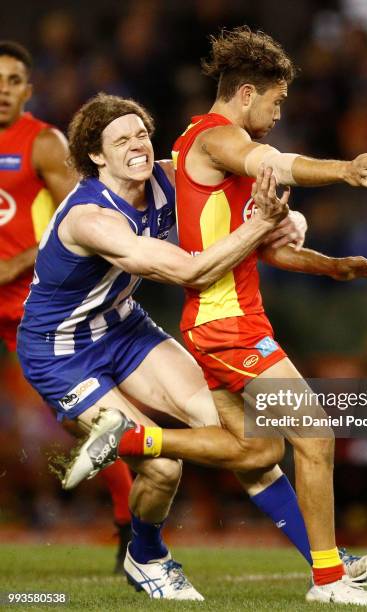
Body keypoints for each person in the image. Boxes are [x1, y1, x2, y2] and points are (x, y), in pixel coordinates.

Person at [60, 27, 367, 603]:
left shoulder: (203, 146)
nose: (278, 111)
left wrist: (333, 266)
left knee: (257, 450)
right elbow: (277, 161)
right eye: (276, 100)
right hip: (227, 323)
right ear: (245, 92)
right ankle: (330, 580)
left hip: (223, 320)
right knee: (314, 432)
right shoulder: (217, 139)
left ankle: (133, 442)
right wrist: (342, 169)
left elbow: (262, 243)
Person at [16, 92, 300, 601]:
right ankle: (146, 555)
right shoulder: (90, 217)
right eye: (121, 139)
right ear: (97, 157)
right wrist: (260, 226)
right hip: (59, 352)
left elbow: (245, 188)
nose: (138, 144)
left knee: (242, 436)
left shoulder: (169, 176)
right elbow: (191, 269)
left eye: (142, 133)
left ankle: (325, 563)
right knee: (164, 468)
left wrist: (290, 220)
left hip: (124, 328)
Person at [0, 41, 133, 571]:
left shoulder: (43, 144)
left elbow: (82, 218)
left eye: (13, 80)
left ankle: (129, 521)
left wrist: (15, 263)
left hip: (27, 305)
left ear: (28, 90)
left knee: (82, 418)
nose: (2, 89)